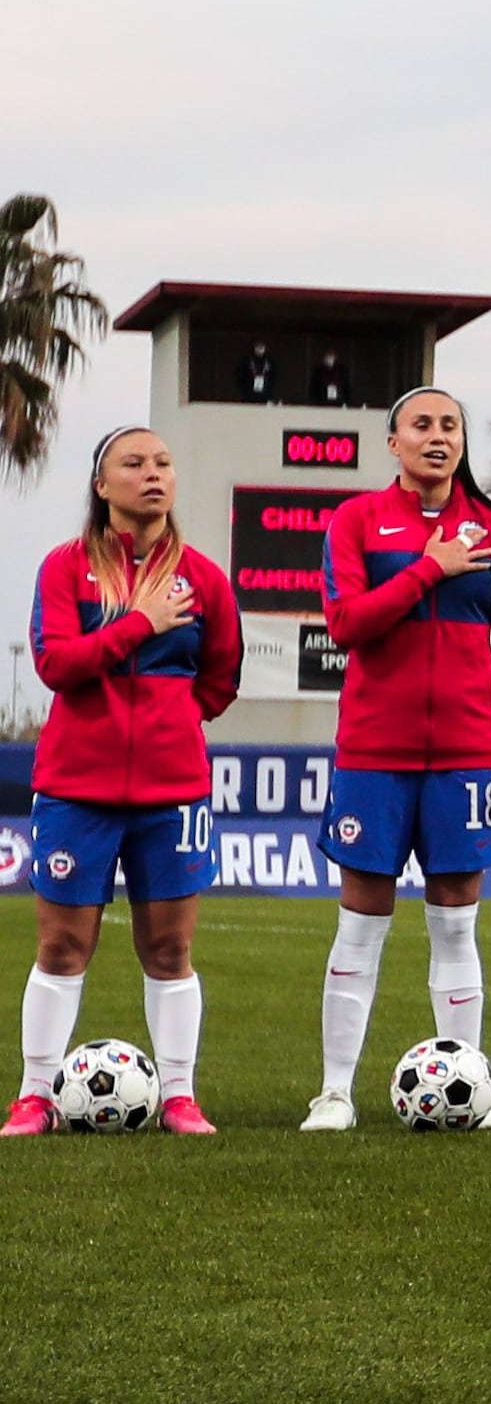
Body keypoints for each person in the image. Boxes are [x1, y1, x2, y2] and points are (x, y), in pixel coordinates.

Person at [310, 386, 491, 1131]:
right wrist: (429, 568)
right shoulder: (356, 521)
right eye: (422, 425)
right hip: (375, 752)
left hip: (469, 756)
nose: (438, 436)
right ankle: (336, 1092)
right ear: (393, 441)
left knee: (456, 925)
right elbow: (346, 623)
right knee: (361, 924)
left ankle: (465, 1088)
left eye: (450, 425)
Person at [19, 428, 239, 1136]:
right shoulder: (64, 568)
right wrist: (140, 623)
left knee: (170, 949)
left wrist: (169, 722)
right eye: (134, 463)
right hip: (75, 788)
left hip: (173, 792)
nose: (153, 474)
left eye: (164, 463)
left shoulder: (204, 579)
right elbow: (57, 663)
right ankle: (33, 1095)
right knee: (61, 947)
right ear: (101, 483)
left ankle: (180, 1095)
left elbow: (220, 679)